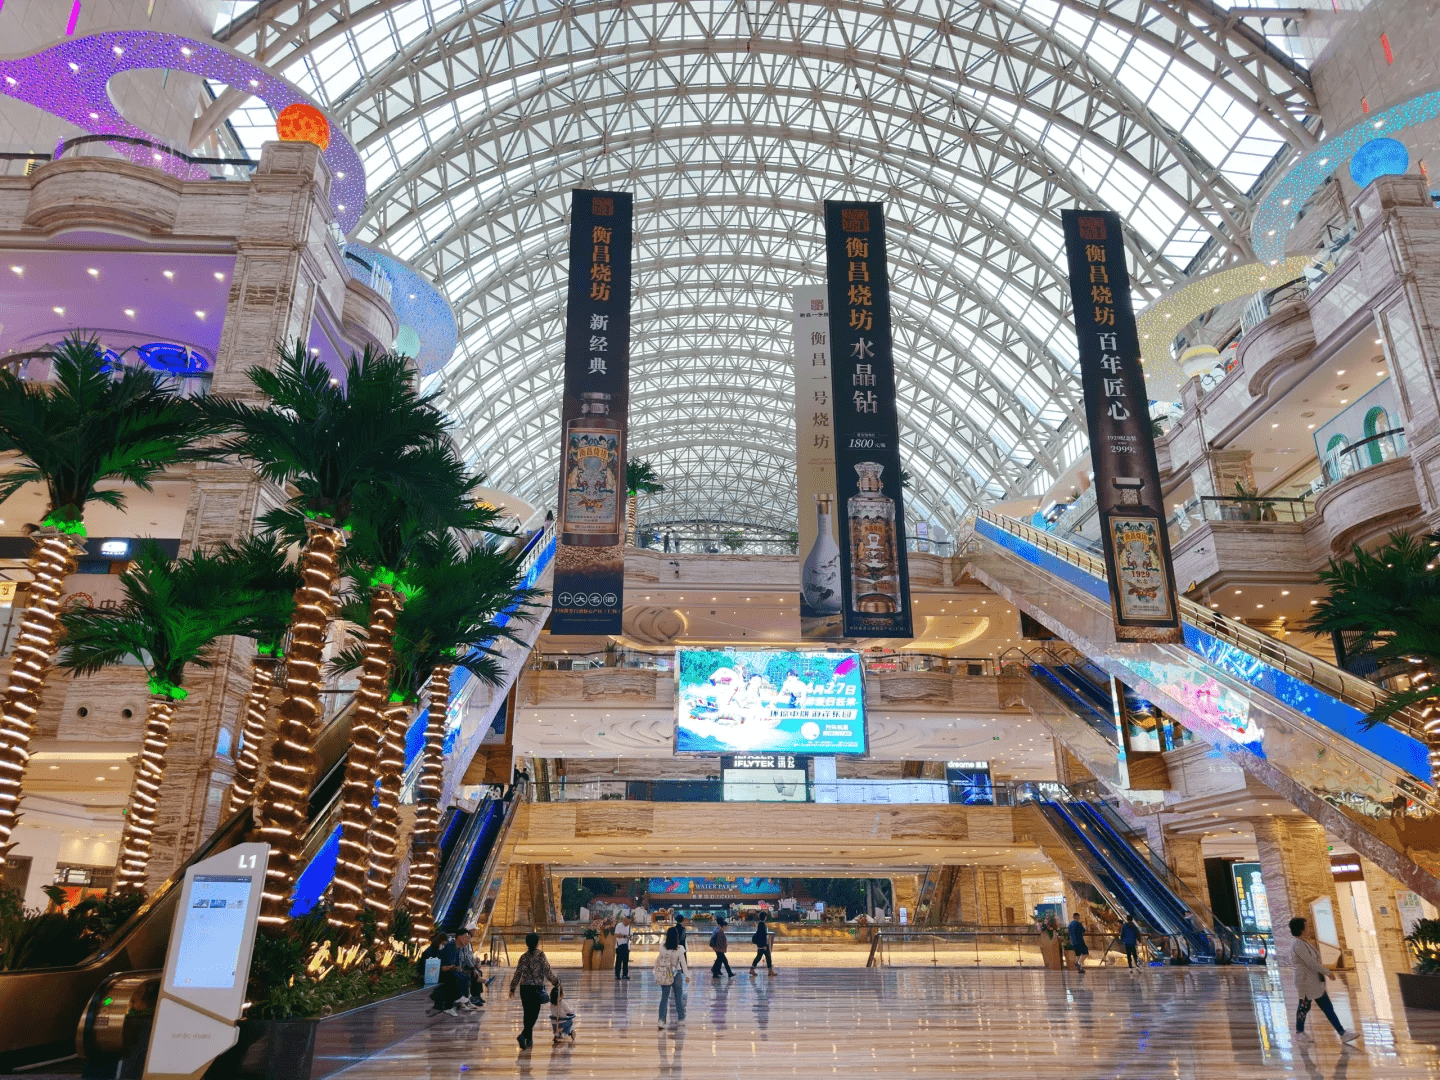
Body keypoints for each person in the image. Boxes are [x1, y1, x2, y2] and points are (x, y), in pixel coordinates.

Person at [1290, 917, 1359, 1046]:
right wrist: (1327, 972)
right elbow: (1311, 963)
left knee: (1326, 1007)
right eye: (1306, 926)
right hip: (1306, 982)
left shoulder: (1302, 942)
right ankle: (1300, 1032)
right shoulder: (1298, 944)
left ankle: (1342, 1033)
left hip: (1313, 982)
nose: (1308, 928)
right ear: (1300, 929)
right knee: (1305, 1006)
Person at [509, 932, 561, 1051]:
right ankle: (523, 1036)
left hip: (524, 988)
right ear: (537, 943)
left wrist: (512, 988)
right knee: (534, 1014)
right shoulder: (540, 955)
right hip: (536, 989)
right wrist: (556, 982)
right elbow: (548, 972)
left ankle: (529, 1039)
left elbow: (518, 973)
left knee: (527, 1013)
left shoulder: (523, 957)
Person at [437, 933, 479, 1015]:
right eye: (465, 938)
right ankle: (455, 1001)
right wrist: (453, 967)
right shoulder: (450, 946)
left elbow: (456, 963)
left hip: (449, 970)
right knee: (454, 977)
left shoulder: (457, 947)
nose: (467, 941)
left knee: (465, 976)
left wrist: (457, 967)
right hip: (443, 972)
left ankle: (463, 999)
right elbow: (445, 965)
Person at [655, 925, 688, 1028]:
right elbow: (683, 963)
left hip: (665, 973)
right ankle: (681, 1018)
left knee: (664, 997)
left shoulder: (662, 947)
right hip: (676, 973)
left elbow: (660, 960)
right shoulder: (680, 949)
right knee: (678, 997)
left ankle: (661, 1020)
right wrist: (687, 975)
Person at [457, 929, 485, 1006]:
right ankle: (470, 998)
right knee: (468, 975)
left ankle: (475, 996)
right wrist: (472, 967)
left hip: (464, 967)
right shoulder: (458, 947)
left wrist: (473, 966)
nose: (467, 940)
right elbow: (465, 959)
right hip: (461, 968)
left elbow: (467, 957)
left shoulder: (465, 946)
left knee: (476, 973)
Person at [614, 914, 632, 980]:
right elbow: (616, 934)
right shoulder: (619, 926)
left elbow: (631, 935)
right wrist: (624, 936)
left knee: (625, 961)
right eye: (627, 922)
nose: (627, 923)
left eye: (629, 922)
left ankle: (625, 974)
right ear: (624, 920)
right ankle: (617, 975)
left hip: (626, 945)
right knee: (619, 961)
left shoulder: (629, 927)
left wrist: (630, 938)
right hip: (620, 945)